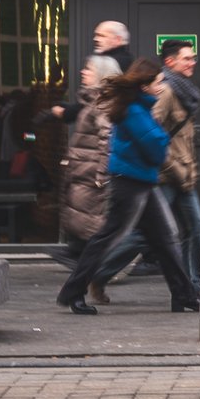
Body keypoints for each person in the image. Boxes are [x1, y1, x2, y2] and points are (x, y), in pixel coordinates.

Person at [52, 59, 196, 315]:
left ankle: (183, 294)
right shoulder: (134, 111)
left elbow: (153, 144)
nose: (162, 86)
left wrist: (160, 139)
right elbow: (155, 147)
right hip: (130, 183)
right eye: (158, 82)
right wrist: (164, 138)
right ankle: (73, 292)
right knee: (108, 238)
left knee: (164, 239)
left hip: (141, 181)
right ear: (144, 86)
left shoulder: (139, 107)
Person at [99, 39, 200, 290]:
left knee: (196, 228)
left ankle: (193, 285)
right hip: (166, 176)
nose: (193, 63)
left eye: (193, 58)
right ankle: (97, 273)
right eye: (187, 58)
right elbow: (148, 134)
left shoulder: (184, 91)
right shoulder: (165, 91)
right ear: (170, 61)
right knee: (144, 234)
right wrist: (172, 165)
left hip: (183, 176)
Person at [56, 54, 117, 308]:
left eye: (89, 69)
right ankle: (78, 292)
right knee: (89, 240)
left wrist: (101, 177)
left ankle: (76, 293)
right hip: (83, 178)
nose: (83, 72)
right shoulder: (92, 101)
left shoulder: (101, 104)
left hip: (90, 181)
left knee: (92, 240)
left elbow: (107, 140)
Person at [50, 20, 132, 123]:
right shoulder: (120, 59)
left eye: (102, 36)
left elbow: (97, 100)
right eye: (96, 35)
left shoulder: (113, 63)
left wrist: (66, 112)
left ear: (118, 39)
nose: (96, 39)